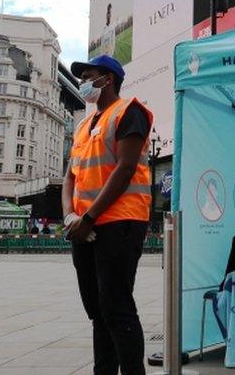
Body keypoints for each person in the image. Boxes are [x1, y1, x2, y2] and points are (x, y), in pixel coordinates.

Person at [63, 55, 153, 375]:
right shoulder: (84, 125)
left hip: (120, 223)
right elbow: (70, 177)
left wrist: (88, 218)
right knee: (98, 311)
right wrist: (70, 218)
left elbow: (126, 168)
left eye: (88, 77)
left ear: (108, 80)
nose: (82, 84)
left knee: (116, 308)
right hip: (84, 228)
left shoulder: (130, 111)